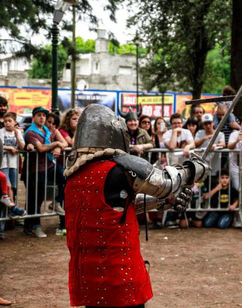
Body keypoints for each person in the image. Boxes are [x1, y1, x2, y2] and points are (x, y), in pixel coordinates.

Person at [64, 104, 208, 308]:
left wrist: (167, 202)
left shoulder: (72, 175)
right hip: (118, 270)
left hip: (89, 273)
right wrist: (191, 170)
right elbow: (166, 183)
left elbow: (115, 209)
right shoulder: (117, 170)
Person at [22, 107, 66, 238]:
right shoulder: (31, 132)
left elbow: (63, 143)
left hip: (49, 165)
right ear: (34, 117)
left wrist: (58, 146)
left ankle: (56, 202)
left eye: (44, 116)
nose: (42, 118)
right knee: (36, 198)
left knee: (65, 177)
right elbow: (40, 148)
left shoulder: (47, 129)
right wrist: (56, 144)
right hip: (35, 170)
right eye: (39, 115)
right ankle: (33, 226)